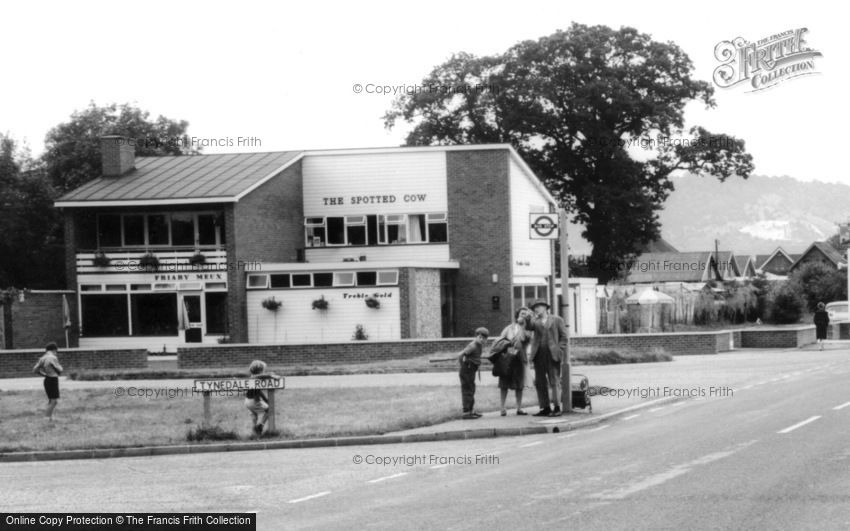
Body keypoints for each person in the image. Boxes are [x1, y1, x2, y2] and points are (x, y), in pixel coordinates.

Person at [528, 299, 568, 417]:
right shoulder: (535, 321)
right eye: (535, 307)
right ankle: (545, 407)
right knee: (540, 382)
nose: (536, 309)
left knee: (554, 381)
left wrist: (559, 349)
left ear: (545, 307)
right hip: (538, 355)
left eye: (539, 306)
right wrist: (527, 317)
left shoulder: (557, 320)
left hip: (552, 355)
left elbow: (564, 337)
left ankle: (556, 407)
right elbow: (529, 327)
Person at [494, 307, 533, 416]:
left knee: (519, 385)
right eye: (521, 313)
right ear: (517, 315)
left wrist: (524, 326)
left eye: (525, 314)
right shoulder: (509, 328)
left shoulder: (527, 329)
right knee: (504, 384)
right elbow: (499, 341)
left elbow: (526, 339)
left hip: (520, 359)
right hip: (507, 359)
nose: (523, 315)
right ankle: (502, 408)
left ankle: (519, 408)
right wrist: (506, 345)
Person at [458, 327, 489, 419]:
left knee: (471, 389)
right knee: (467, 390)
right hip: (467, 369)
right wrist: (464, 366)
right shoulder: (473, 345)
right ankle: (466, 412)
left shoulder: (479, 345)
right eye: (482, 338)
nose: (484, 340)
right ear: (478, 337)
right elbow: (461, 355)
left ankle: (471, 410)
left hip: (471, 370)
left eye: (485, 338)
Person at [33, 342, 63, 421]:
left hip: (47, 379)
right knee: (54, 401)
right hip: (53, 379)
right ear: (54, 349)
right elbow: (60, 370)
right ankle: (47, 417)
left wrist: (44, 374)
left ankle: (49, 417)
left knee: (51, 400)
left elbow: (35, 370)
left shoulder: (43, 358)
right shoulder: (52, 357)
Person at [245, 360, 270, 436]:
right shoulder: (256, 379)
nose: (264, 372)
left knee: (254, 416)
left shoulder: (252, 377)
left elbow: (259, 391)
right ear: (259, 371)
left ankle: (254, 433)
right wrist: (260, 400)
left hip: (247, 401)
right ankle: (260, 425)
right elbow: (257, 393)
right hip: (253, 400)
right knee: (269, 409)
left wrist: (265, 399)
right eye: (263, 370)